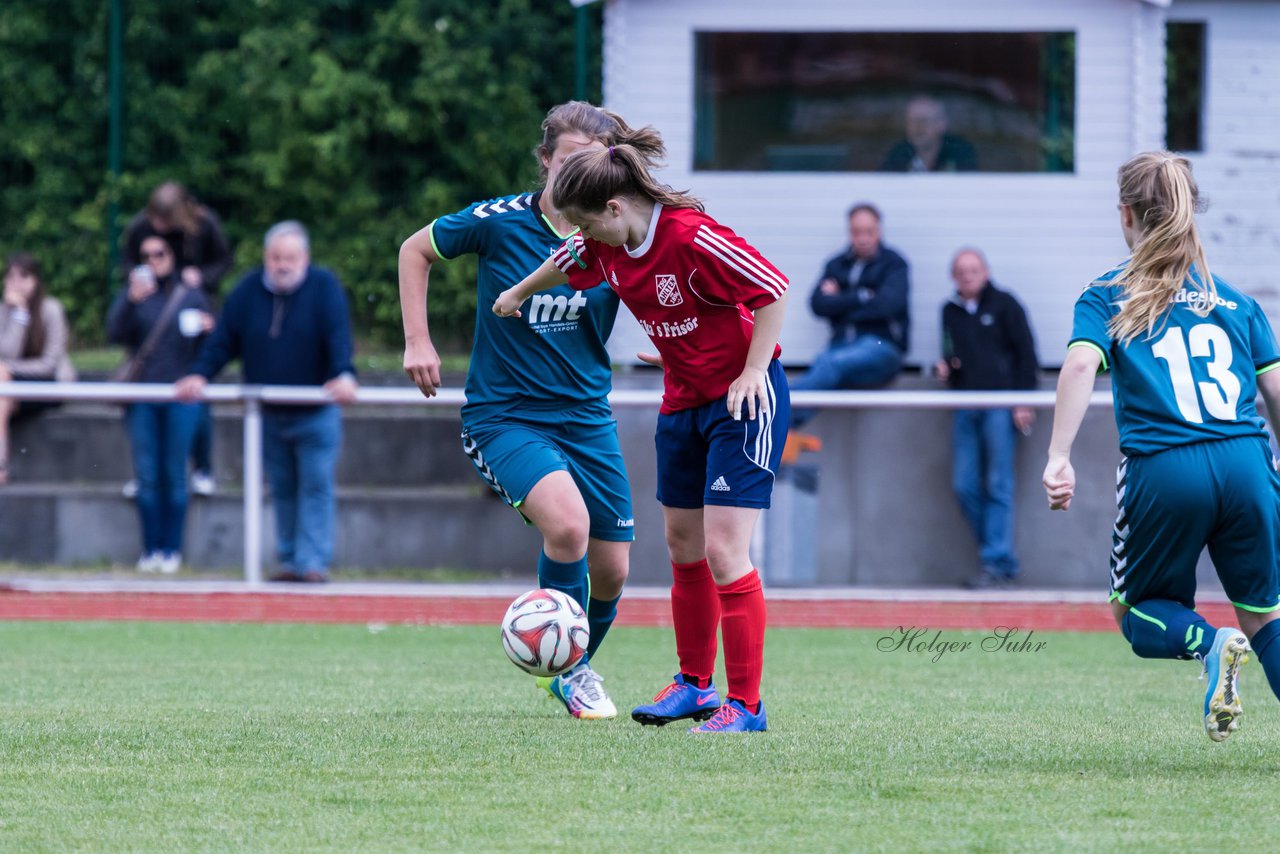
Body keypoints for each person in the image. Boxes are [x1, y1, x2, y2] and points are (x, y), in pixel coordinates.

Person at [494, 142, 791, 734]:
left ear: (611, 207)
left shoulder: (692, 237)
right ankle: (694, 686)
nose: (581, 236)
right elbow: (564, 259)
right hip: (681, 401)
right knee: (684, 549)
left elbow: (773, 289)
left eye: (584, 223)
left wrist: (753, 369)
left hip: (743, 402)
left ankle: (747, 705)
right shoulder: (606, 244)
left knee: (725, 552)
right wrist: (519, 293)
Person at [399, 102, 652, 721]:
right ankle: (570, 672)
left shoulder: (616, 232)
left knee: (613, 571)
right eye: (568, 162)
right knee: (568, 526)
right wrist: (417, 339)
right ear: (545, 162)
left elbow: (670, 284)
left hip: (588, 416)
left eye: (592, 165)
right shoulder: (499, 222)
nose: (576, 179)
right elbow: (414, 249)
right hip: (505, 416)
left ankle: (568, 659)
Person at [1043, 151, 1280, 742]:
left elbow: (1078, 366)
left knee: (1136, 610)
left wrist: (1058, 456)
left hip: (1167, 468)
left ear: (1125, 214)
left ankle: (1210, 641)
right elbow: (1274, 386)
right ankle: (1237, 636)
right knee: (1265, 615)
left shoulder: (1107, 293)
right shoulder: (1236, 301)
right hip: (1248, 460)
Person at [177, 221, 357, 583]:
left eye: (290, 257)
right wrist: (200, 373)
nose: (282, 264)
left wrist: (344, 374)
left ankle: (313, 565)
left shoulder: (324, 288)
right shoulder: (246, 291)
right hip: (267, 416)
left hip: (315, 412)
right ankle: (290, 562)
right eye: (275, 257)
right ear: (266, 258)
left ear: (304, 258)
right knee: (282, 489)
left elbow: (338, 335)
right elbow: (224, 339)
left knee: (316, 486)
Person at [107, 236, 213, 574]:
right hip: (143, 397)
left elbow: (213, 347)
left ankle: (172, 549)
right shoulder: (136, 295)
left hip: (181, 397)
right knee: (147, 475)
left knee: (174, 474)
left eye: (159, 253)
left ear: (173, 256)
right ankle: (150, 549)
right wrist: (129, 299)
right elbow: (113, 333)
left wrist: (210, 330)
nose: (153, 260)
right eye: (145, 255)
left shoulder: (191, 295)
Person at [121, 182, 234, 497]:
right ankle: (145, 475)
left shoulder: (204, 223)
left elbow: (224, 261)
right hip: (151, 316)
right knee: (143, 395)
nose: (158, 226)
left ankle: (202, 467)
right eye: (155, 219)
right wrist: (137, 278)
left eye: (165, 221)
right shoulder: (141, 226)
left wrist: (202, 277)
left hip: (191, 311)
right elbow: (126, 261)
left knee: (196, 385)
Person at [936, 248, 1038, 589]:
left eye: (974, 269)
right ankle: (999, 557)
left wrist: (1023, 400)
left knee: (998, 485)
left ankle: (996, 561)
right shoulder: (950, 311)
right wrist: (946, 371)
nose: (968, 276)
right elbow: (951, 359)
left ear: (986, 271)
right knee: (963, 485)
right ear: (954, 277)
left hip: (1000, 405)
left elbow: (1026, 354)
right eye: (961, 271)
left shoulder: (1006, 304)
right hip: (966, 405)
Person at [787, 203, 909, 438]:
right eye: (856, 232)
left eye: (868, 232)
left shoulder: (894, 264)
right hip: (840, 348)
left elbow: (889, 305)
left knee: (830, 364)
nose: (862, 238)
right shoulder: (837, 264)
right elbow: (817, 304)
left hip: (882, 348)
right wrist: (862, 296)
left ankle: (775, 415)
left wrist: (840, 301)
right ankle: (782, 424)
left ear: (879, 231)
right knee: (828, 366)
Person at [0, 253, 77, 484]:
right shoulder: (5, 311)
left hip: (50, 383)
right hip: (10, 386)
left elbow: (48, 365)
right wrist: (19, 315)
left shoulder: (51, 309)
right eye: (10, 276)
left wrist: (7, 368)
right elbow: (6, 352)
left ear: (36, 280)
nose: (16, 283)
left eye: (23, 276)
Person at [880, 95, 978, 173]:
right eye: (912, 121)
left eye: (924, 121)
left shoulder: (960, 152)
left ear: (942, 124)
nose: (917, 127)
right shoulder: (898, 153)